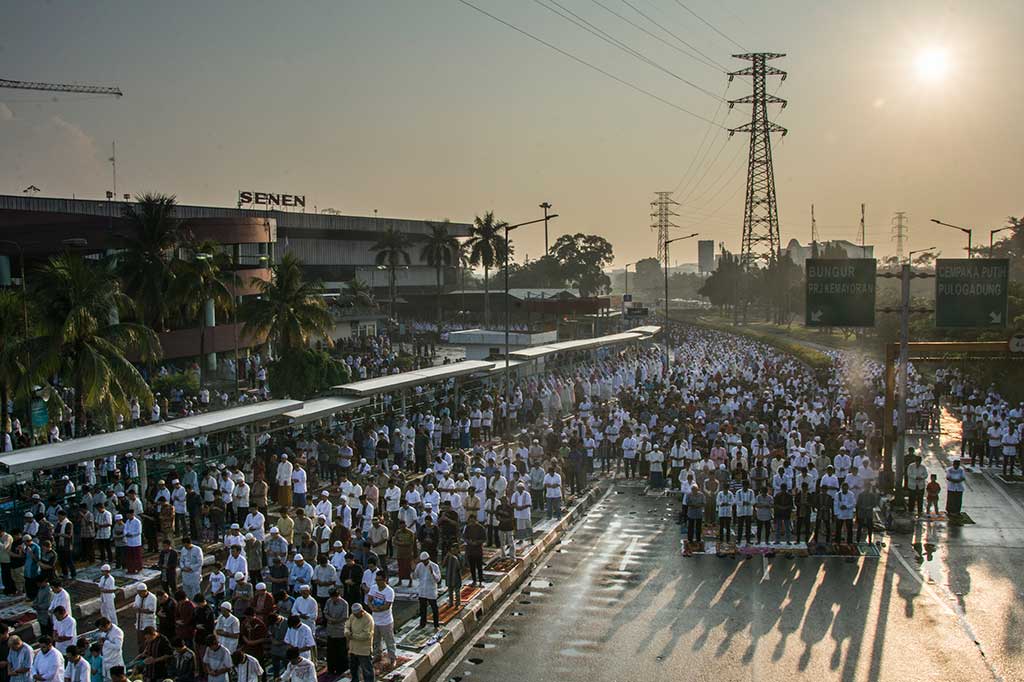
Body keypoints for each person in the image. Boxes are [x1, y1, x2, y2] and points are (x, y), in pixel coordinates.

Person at [366, 571, 395, 666]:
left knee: (389, 641)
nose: (378, 582)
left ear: (385, 580)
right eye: (376, 580)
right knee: (376, 640)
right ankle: (377, 655)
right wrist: (371, 607)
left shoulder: (389, 591)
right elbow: (369, 599)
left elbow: (387, 605)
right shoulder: (374, 588)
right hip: (375, 620)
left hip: (386, 621)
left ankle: (392, 657)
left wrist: (376, 609)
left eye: (379, 580)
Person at [344, 605, 374, 682]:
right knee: (353, 668)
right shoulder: (352, 616)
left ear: (362, 611)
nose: (356, 616)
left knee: (367, 670)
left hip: (363, 649)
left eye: (357, 614)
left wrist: (352, 635)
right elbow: (347, 626)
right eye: (355, 614)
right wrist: (347, 632)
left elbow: (366, 635)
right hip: (353, 648)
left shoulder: (368, 619)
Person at [322, 590, 349, 675]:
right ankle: (331, 669)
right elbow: (325, 613)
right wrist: (330, 619)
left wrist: (336, 621)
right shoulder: (329, 601)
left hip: (340, 631)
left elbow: (345, 617)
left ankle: (342, 669)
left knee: (341, 652)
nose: (334, 599)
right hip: (331, 630)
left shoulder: (344, 604)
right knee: (331, 651)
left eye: (335, 597)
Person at [414, 551, 441, 630]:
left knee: (434, 609)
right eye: (423, 561)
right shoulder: (419, 566)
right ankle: (422, 624)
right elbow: (415, 576)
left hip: (431, 591)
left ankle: (436, 625)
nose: (424, 563)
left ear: (428, 559)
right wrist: (413, 570)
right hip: (422, 590)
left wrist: (432, 573)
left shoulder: (434, 566)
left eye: (425, 561)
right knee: (422, 609)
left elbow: (438, 579)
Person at [95, 618, 124, 682]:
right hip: (106, 661)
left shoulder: (117, 632)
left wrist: (105, 642)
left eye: (102, 629)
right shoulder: (104, 632)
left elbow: (118, 647)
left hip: (114, 662)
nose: (102, 631)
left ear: (107, 625)